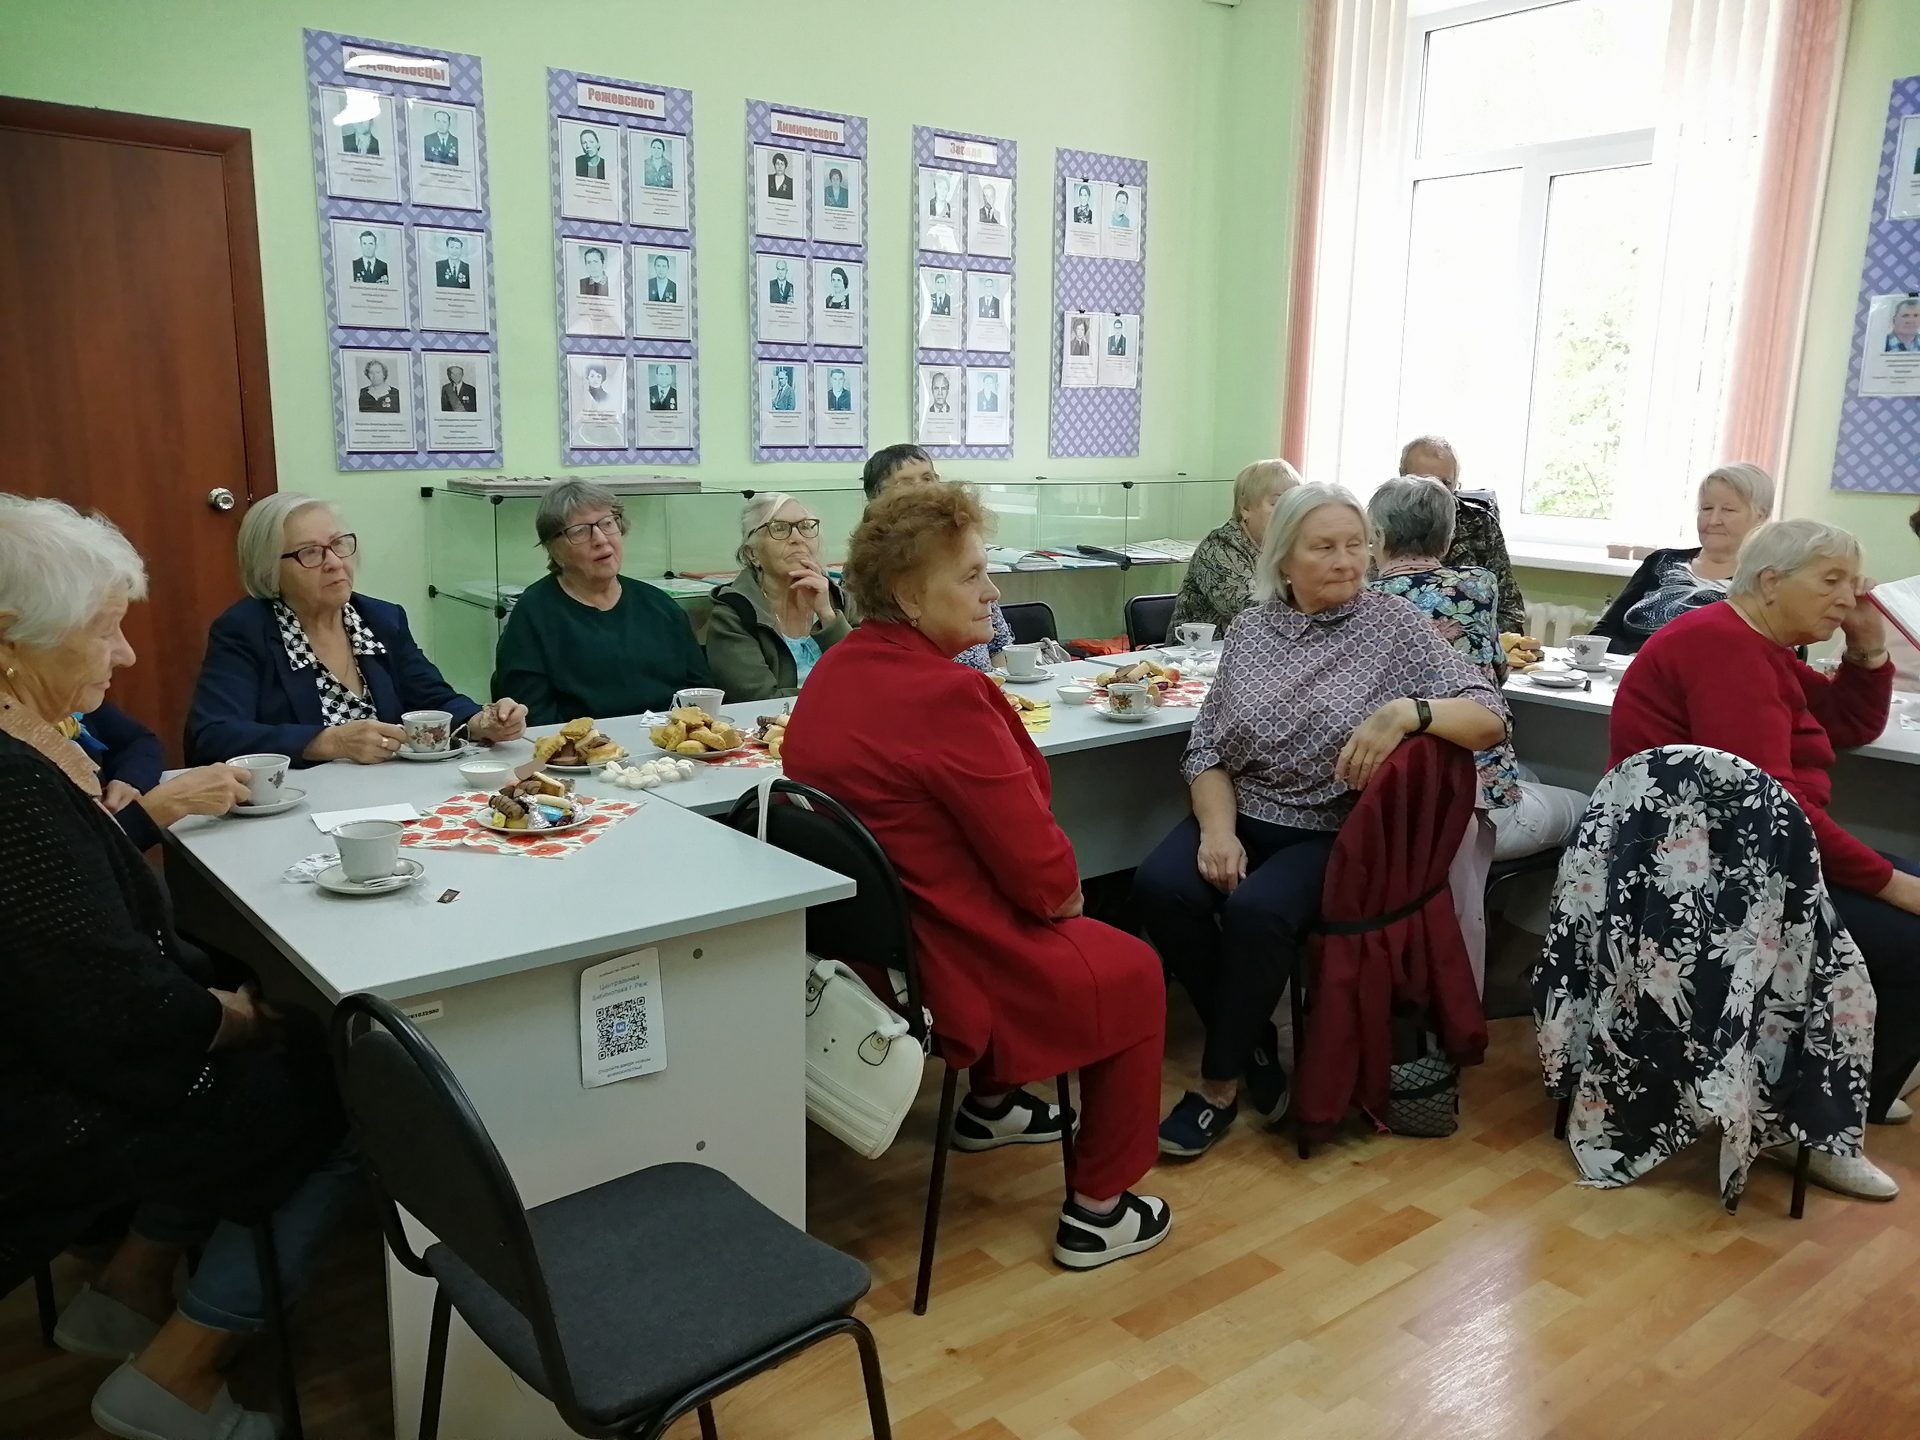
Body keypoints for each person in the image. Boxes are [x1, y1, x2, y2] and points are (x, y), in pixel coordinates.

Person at [0, 495, 357, 1440]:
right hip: (46, 1112)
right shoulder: (14, 786)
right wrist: (237, 1016)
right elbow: (123, 1017)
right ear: (9, 638)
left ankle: (129, 1284)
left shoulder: (33, 744)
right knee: (346, 1084)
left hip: (63, 1056)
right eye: (104, 630)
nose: (124, 656)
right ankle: (177, 1374)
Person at [784, 483, 1174, 1268]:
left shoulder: (836, 670)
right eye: (970, 575)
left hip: (872, 948)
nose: (992, 592)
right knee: (1133, 969)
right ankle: (1099, 1211)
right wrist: (1064, 898)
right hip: (949, 957)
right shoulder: (947, 694)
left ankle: (990, 1108)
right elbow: (1043, 876)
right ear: (908, 595)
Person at [1132, 483, 1508, 1157]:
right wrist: (1217, 832)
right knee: (1160, 887)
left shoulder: (1393, 627)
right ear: (1284, 559)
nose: (1346, 560)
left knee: (1256, 912)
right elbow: (1206, 749)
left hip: (1332, 830)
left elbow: (1489, 717)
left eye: (1356, 544)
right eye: (1324, 546)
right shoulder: (1251, 630)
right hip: (1244, 810)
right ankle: (1252, 1045)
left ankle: (1218, 1086)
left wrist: (1408, 712)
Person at [1609, 518, 1920, 1198]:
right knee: (1908, 935)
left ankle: (1854, 1089)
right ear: (1772, 582)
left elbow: (1844, 724)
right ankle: (1812, 1123)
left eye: (1852, 582)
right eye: (1831, 580)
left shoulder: (1760, 644)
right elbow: (1775, 812)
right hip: (1707, 875)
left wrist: (1868, 651)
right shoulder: (1726, 650)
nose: (1849, 597)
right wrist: (1891, 884)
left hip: (1758, 851)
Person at [187, 493, 524, 767]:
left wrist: (481, 722)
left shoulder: (381, 619)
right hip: (302, 801)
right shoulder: (244, 630)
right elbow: (213, 736)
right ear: (269, 569)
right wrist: (328, 741)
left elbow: (434, 699)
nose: (335, 562)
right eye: (310, 553)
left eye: (338, 544)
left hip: (390, 795)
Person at [491, 479, 711, 723]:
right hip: (578, 744)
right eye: (580, 531)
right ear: (555, 550)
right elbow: (531, 715)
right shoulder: (533, 614)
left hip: (668, 741)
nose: (600, 539)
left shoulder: (659, 605)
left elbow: (700, 693)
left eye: (607, 523)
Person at [1590, 463, 1775, 654]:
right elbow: (1601, 634)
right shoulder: (1662, 561)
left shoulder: (1766, 581)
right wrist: (1635, 660)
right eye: (1706, 508)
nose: (1713, 521)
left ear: (1760, 516)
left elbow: (1759, 654)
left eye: (1728, 510)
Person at [861, 444, 1013, 673]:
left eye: (928, 478)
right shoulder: (874, 570)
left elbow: (1000, 646)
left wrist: (998, 687)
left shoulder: (963, 548)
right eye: (906, 483)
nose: (922, 489)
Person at [707, 494, 851, 701]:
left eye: (805, 526)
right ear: (752, 554)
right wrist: (841, 695)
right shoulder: (733, 614)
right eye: (779, 529)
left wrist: (828, 616)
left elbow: (868, 675)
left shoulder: (838, 598)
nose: (798, 538)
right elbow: (759, 698)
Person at [1397, 435, 1527, 635]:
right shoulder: (1382, 524)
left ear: (1457, 484)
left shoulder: (1480, 524)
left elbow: (1510, 611)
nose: (1435, 493)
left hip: (1471, 645)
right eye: (1423, 482)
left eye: (1444, 483)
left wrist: (1472, 642)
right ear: (1401, 479)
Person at [1169, 458, 1300, 638]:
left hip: (1259, 646)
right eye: (1276, 504)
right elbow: (1249, 610)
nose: (1287, 513)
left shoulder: (1288, 547)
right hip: (1200, 651)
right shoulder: (1219, 546)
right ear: (1245, 508)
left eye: (1292, 504)